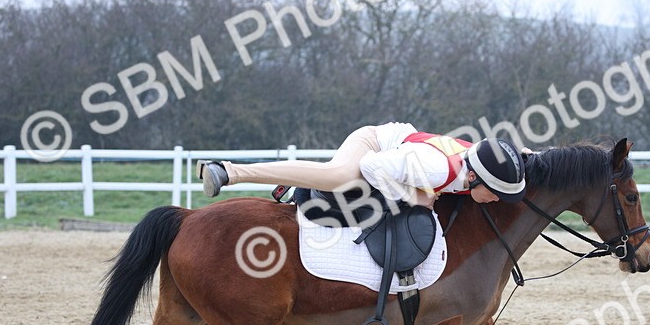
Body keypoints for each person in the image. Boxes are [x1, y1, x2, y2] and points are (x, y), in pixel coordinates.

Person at [197, 122, 526, 207]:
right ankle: (229, 171)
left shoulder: (476, 162)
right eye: (495, 192)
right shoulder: (437, 169)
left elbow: (522, 154)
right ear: (472, 177)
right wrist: (414, 198)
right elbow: (372, 167)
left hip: (398, 152)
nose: (497, 198)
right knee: (338, 176)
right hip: (373, 144)